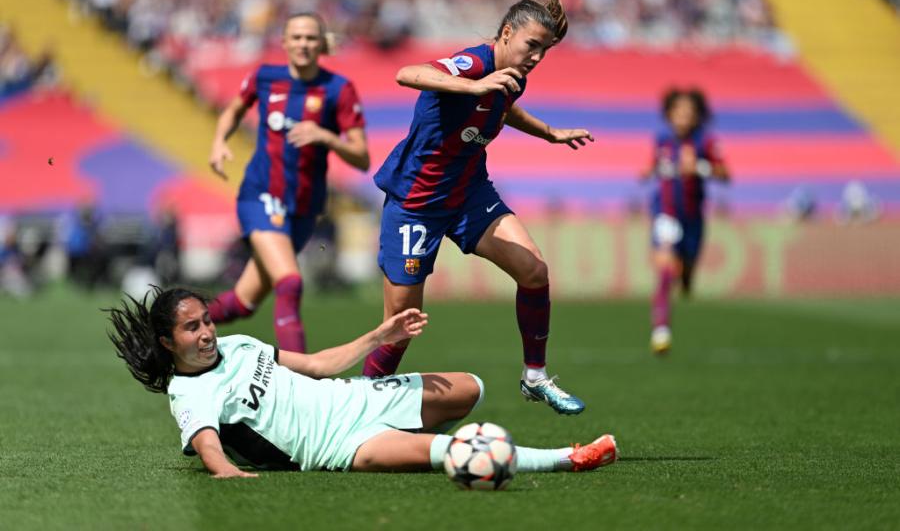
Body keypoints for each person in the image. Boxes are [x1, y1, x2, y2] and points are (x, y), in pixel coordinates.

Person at [362, 0, 593, 416]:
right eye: (531, 45)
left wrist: (549, 133)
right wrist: (470, 85)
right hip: (417, 201)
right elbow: (407, 73)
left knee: (533, 270)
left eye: (544, 50)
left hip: (468, 193)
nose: (537, 57)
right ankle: (357, 400)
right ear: (506, 33)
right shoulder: (473, 63)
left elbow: (503, 107)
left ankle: (535, 377)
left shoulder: (513, 78)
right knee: (402, 325)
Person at [105, 287, 618, 477]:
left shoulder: (240, 346)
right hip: (341, 445)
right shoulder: (187, 392)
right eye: (192, 328)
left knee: (471, 388)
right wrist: (228, 474)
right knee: (451, 452)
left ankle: (408, 436)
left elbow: (321, 365)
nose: (207, 333)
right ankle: (567, 459)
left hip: (353, 398)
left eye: (207, 321)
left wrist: (380, 334)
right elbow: (207, 445)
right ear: (169, 342)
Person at [207, 13, 370, 352]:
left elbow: (361, 156)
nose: (303, 44)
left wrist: (326, 136)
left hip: (304, 208)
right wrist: (220, 141)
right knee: (290, 281)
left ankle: (165, 328)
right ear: (283, 42)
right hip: (261, 194)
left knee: (242, 303)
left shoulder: (337, 89)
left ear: (321, 43)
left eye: (310, 38)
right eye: (296, 37)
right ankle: (299, 380)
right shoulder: (265, 78)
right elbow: (234, 109)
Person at [640, 88, 730, 355]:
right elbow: (655, 166)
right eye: (678, 112)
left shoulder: (706, 142)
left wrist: (701, 167)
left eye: (688, 113)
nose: (682, 117)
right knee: (666, 270)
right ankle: (661, 330)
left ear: (697, 116)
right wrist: (649, 171)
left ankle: (688, 279)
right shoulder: (662, 140)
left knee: (686, 273)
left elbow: (726, 175)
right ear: (669, 114)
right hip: (665, 212)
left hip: (693, 217)